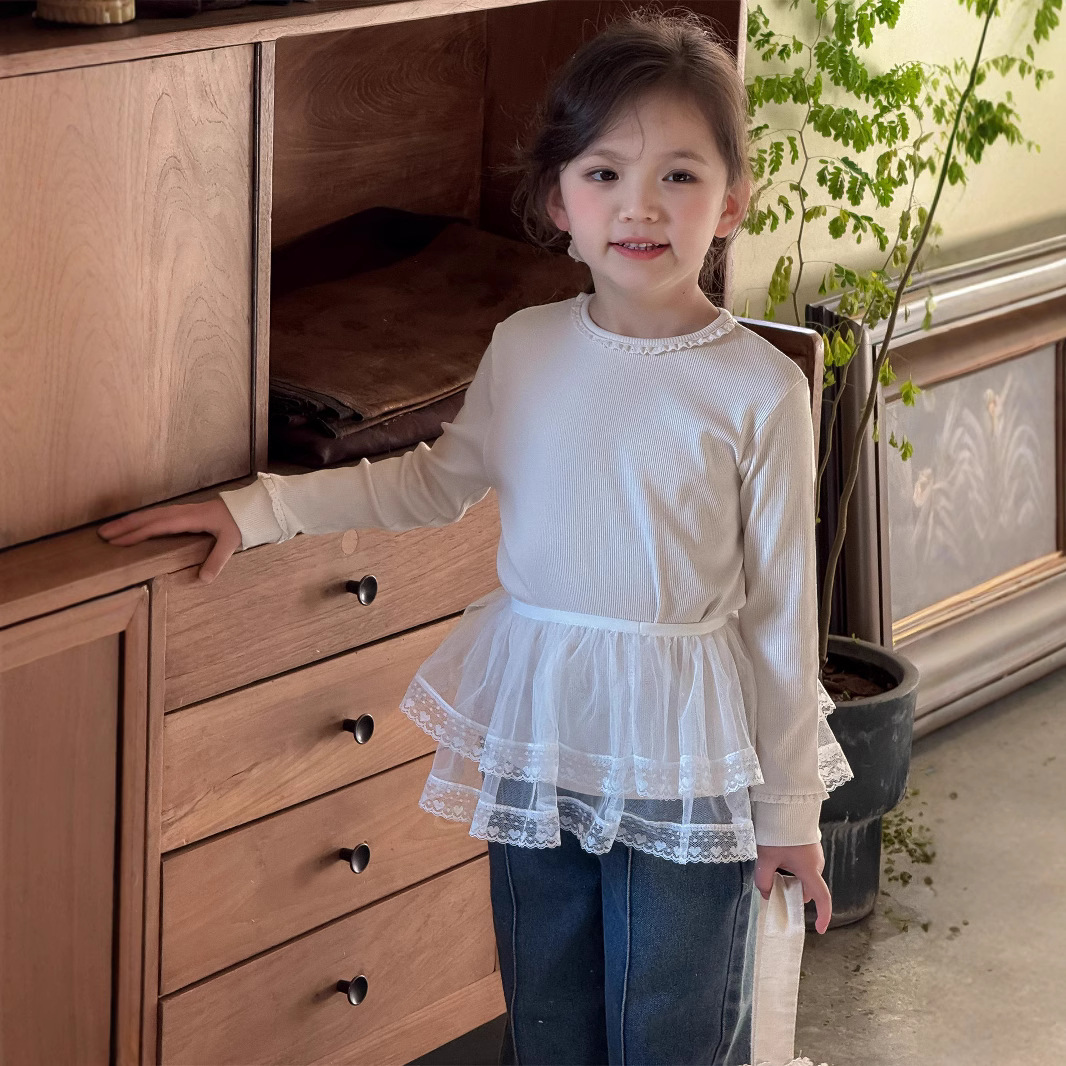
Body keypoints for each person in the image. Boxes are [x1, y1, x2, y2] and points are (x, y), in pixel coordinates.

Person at [99, 9, 853, 1064]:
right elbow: (431, 483)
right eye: (604, 173)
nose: (639, 205)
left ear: (731, 202)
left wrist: (789, 815)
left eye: (679, 176)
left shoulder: (759, 391)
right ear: (558, 200)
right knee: (547, 1018)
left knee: (672, 1032)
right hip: (542, 722)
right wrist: (257, 509)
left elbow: (782, 617)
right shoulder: (525, 346)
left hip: (684, 747)